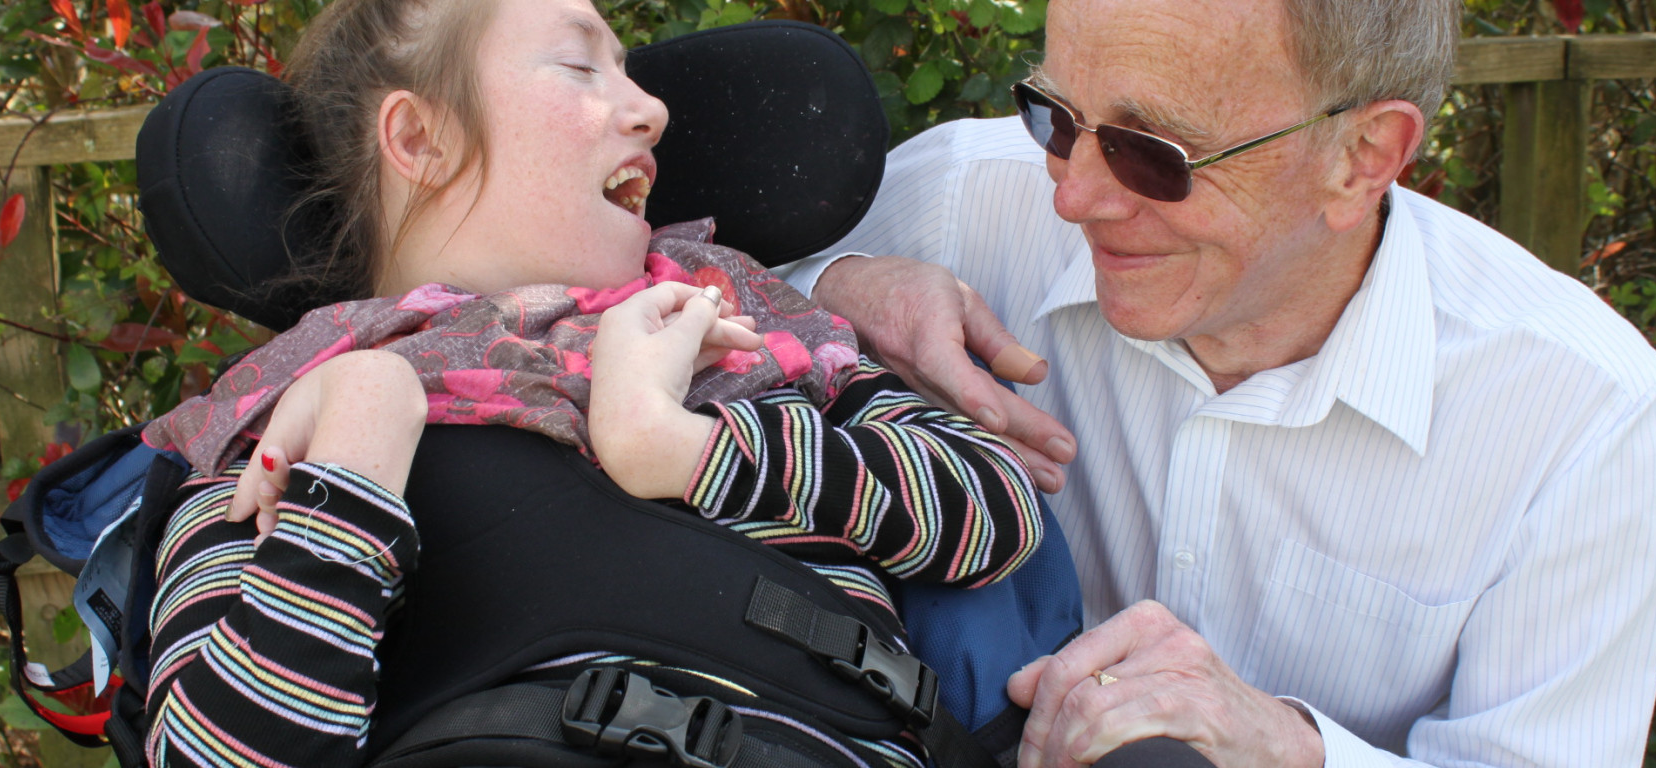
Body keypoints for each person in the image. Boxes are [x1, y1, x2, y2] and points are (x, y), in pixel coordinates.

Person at [132, 0, 1045, 764]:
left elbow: (998, 511)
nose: (652, 109)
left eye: (629, 72)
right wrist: (361, 444)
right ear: (420, 137)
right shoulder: (285, 418)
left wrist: (687, 449)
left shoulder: (749, 327)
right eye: (580, 68)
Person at [779, 0, 1656, 765]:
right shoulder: (961, 198)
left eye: (1151, 152)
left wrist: (1293, 748)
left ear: (1363, 157)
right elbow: (704, 278)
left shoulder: (1582, 412)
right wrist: (835, 292)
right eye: (1052, 116)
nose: (1071, 196)